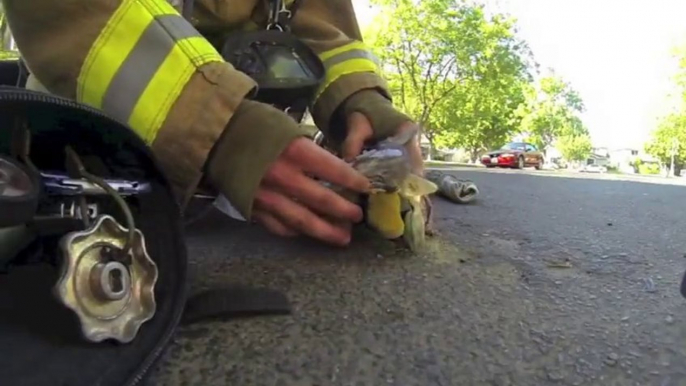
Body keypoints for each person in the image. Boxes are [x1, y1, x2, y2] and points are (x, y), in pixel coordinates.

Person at [2, 0, 425, 246]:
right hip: (86, 147)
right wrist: (217, 126)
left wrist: (356, 96)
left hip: (249, 174)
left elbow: (310, 16)